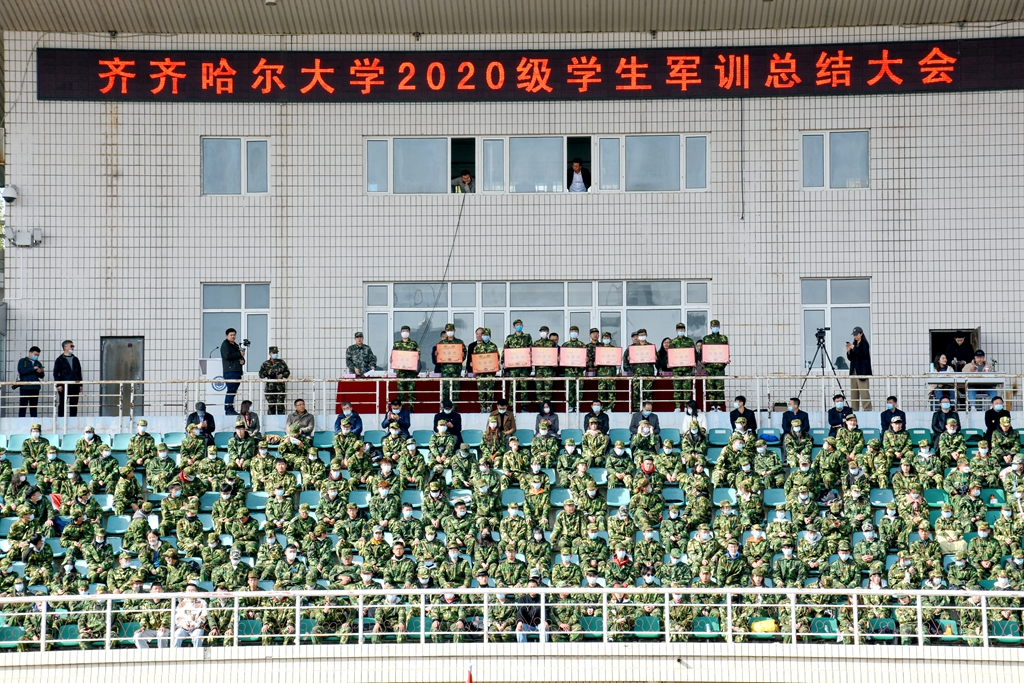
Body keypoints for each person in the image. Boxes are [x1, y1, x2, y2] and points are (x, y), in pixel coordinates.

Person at [503, 319, 533, 411]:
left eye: (520, 324)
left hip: (524, 366)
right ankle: (511, 406)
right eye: (516, 325)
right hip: (513, 367)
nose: (518, 326)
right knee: (513, 386)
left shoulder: (527, 337)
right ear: (514, 327)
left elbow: (531, 349)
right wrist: (504, 362)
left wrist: (531, 356)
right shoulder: (510, 338)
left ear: (522, 325)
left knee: (524, 386)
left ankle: (524, 406)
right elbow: (505, 351)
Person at [668, 322, 696, 411]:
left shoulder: (689, 341)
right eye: (679, 329)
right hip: (676, 369)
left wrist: (693, 361)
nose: (681, 330)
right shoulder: (673, 342)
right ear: (676, 330)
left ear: (685, 330)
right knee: (677, 389)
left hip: (687, 369)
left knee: (687, 389)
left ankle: (686, 406)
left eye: (682, 329)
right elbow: (670, 354)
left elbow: (694, 353)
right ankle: (677, 406)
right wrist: (670, 363)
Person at [701, 320, 729, 409]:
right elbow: (703, 351)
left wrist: (726, 360)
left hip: (720, 367)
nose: (715, 328)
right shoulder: (706, 338)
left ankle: (720, 405)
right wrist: (703, 360)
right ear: (710, 327)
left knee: (720, 387)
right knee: (710, 387)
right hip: (709, 367)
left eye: (716, 326)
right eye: (713, 326)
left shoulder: (723, 338)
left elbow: (726, 351)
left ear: (719, 327)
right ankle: (712, 405)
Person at [437, 323, 466, 403]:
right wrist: (437, 354)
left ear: (454, 330)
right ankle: (445, 407)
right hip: (445, 371)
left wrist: (462, 356)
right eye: (448, 330)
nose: (450, 331)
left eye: (451, 330)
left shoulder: (459, 342)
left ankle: (455, 407)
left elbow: (464, 356)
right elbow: (438, 358)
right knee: (445, 390)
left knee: (455, 390)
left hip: (456, 371)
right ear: (445, 331)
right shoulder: (442, 343)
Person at [53, 339, 83, 417]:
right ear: (65, 347)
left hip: (75, 385)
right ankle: (61, 419)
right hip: (64, 385)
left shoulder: (75, 359)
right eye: (71, 346)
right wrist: (59, 384)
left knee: (74, 404)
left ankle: (73, 419)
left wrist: (80, 384)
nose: (73, 348)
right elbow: (56, 373)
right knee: (62, 403)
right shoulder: (60, 359)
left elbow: (79, 372)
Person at [258, 346, 291, 415]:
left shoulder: (281, 362)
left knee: (280, 405)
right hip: (270, 388)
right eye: (274, 353)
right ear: (270, 353)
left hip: (280, 387)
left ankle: (281, 420)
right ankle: (271, 420)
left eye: (276, 352)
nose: (275, 354)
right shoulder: (265, 364)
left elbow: (287, 372)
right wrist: (267, 373)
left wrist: (282, 375)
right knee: (271, 406)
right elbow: (261, 375)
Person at [392, 325, 419, 409]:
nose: (405, 333)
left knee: (411, 392)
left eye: (406, 331)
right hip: (401, 372)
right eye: (403, 331)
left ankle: (411, 409)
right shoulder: (397, 344)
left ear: (409, 333)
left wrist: (416, 357)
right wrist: (392, 360)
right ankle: (401, 409)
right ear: (401, 333)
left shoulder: (413, 343)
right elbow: (393, 356)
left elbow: (418, 355)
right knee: (401, 392)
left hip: (411, 372)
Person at [173, 583, 208, 648]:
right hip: (184, 628)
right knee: (176, 635)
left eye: (192, 590)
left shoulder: (202, 602)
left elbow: (204, 615)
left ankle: (197, 654)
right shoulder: (182, 603)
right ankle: (175, 653)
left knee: (197, 636)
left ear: (197, 591)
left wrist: (194, 625)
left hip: (197, 627)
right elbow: (178, 616)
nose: (190, 592)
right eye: (188, 590)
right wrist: (184, 625)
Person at [220, 329, 246, 415]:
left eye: (234, 335)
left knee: (233, 391)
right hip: (230, 371)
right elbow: (227, 355)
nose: (233, 337)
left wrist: (242, 361)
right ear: (226, 335)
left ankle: (230, 409)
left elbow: (239, 357)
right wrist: (239, 354)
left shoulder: (235, 345)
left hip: (237, 371)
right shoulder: (225, 344)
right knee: (231, 390)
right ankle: (229, 410)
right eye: (231, 335)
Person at [846, 327, 872, 411]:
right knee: (854, 392)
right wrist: (849, 351)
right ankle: (854, 409)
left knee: (864, 391)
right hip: (854, 371)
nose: (855, 336)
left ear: (861, 334)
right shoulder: (855, 344)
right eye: (854, 335)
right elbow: (851, 358)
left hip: (862, 371)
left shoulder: (864, 344)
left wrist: (854, 348)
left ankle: (867, 409)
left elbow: (863, 354)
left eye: (856, 334)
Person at [17, 346, 44, 418]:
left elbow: (42, 376)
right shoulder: (23, 361)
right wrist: (33, 368)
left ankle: (34, 422)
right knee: (23, 406)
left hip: (35, 387)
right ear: (30, 353)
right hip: (25, 387)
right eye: (35, 354)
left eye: (38, 355)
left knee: (34, 407)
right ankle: (21, 421)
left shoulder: (38, 363)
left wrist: (40, 372)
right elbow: (21, 371)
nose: (36, 356)